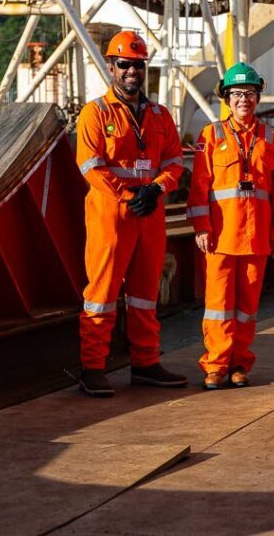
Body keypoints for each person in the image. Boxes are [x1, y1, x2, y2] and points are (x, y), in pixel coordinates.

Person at [76, 30, 189, 397]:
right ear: (111, 67)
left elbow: (174, 160)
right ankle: (92, 367)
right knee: (102, 292)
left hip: (150, 211)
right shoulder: (96, 113)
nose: (131, 72)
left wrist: (156, 188)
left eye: (138, 66)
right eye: (124, 65)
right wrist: (129, 194)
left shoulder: (159, 115)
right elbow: (90, 165)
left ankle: (145, 363)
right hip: (111, 213)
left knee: (145, 293)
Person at [188, 63, 274, 389]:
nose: (243, 99)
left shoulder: (272, 138)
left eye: (249, 94)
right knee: (218, 306)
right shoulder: (211, 135)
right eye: (237, 94)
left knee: (246, 308)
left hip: (256, 236)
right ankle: (215, 365)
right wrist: (201, 227)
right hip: (219, 237)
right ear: (227, 99)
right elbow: (199, 186)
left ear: (257, 97)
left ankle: (239, 363)